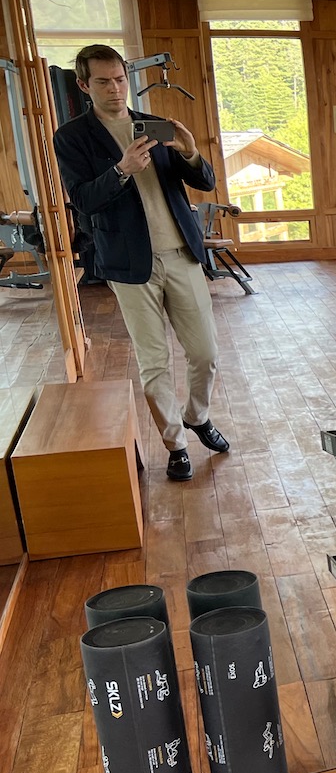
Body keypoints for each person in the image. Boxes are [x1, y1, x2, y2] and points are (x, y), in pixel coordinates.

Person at [53, 44, 228, 481]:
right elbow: (83, 200)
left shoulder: (152, 125)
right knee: (154, 363)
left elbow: (203, 181)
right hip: (130, 264)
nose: (114, 89)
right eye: (103, 82)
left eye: (119, 79)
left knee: (205, 353)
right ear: (83, 85)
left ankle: (197, 416)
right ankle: (176, 443)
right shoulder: (71, 137)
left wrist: (189, 151)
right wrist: (122, 169)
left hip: (182, 253)